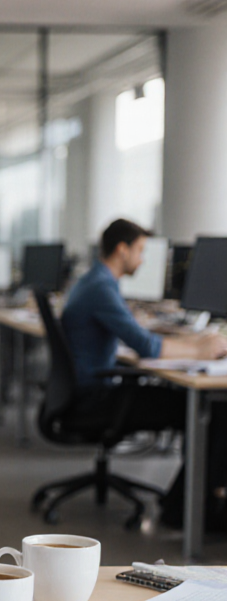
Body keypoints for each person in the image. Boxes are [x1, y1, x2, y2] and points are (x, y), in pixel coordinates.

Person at [61, 218, 227, 527]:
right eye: (140, 250)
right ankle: (188, 510)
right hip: (99, 397)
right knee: (210, 411)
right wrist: (199, 351)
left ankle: (186, 502)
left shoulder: (93, 281)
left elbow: (142, 336)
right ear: (122, 250)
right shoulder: (101, 288)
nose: (143, 258)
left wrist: (194, 341)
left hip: (88, 390)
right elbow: (146, 347)